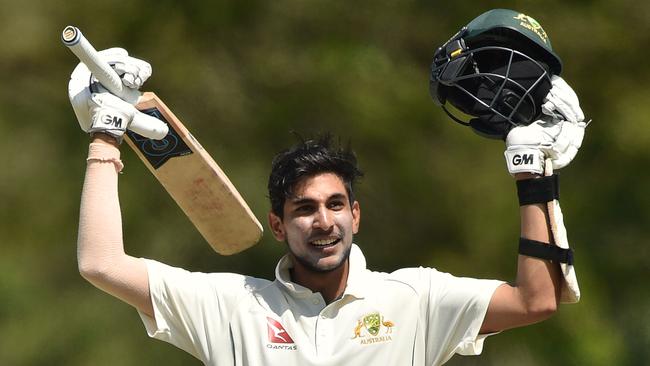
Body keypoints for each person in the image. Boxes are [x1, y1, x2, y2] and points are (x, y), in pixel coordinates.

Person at [71, 9, 586, 366]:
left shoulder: (416, 299)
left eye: (336, 205)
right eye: (304, 209)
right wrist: (106, 136)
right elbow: (101, 264)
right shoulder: (230, 306)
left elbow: (535, 301)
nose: (323, 221)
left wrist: (532, 173)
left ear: (356, 216)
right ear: (277, 224)